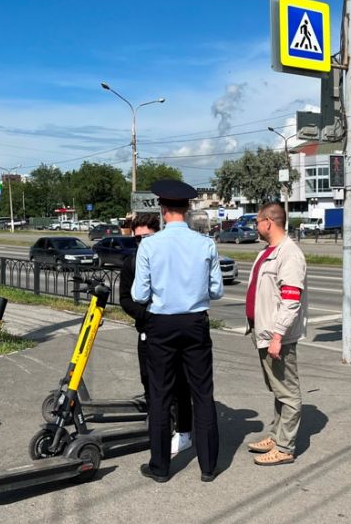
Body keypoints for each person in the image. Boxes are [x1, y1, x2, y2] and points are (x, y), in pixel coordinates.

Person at [132, 179, 224, 483]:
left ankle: (160, 467)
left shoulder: (149, 244)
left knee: (160, 394)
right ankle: (209, 466)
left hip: (161, 325)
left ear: (162, 208)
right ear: (186, 209)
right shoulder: (206, 243)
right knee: (203, 392)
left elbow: (139, 295)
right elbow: (216, 290)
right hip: (196, 322)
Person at [118, 212, 193, 455]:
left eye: (147, 237)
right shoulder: (131, 263)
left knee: (181, 385)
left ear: (157, 234)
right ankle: (158, 425)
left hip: (174, 331)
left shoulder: (170, 259)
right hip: (148, 332)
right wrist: (146, 317)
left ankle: (184, 431)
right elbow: (126, 299)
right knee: (150, 382)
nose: (142, 243)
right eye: (137, 239)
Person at [244, 202, 307, 466]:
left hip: (276, 336)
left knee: (288, 392)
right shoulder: (268, 251)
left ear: (268, 222)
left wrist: (278, 336)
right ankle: (276, 435)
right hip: (264, 331)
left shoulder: (289, 254)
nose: (255, 226)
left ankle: (285, 447)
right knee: (277, 389)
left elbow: (292, 299)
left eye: (257, 221)